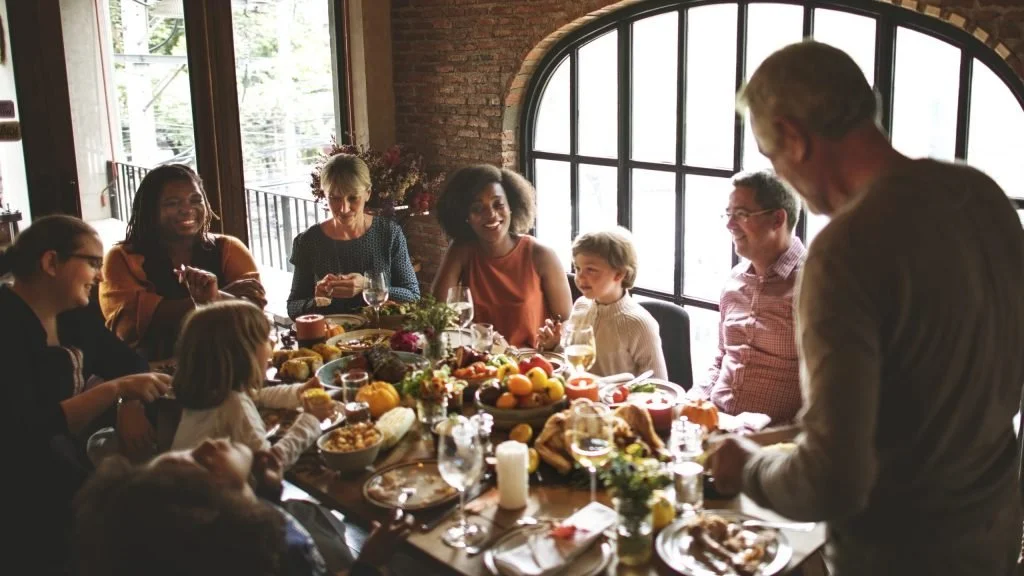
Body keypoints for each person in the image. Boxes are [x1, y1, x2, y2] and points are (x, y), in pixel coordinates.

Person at [710, 41, 1024, 575]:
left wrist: (746, 467)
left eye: (772, 157)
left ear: (792, 136)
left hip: (900, 552)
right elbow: (938, 391)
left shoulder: (845, 251)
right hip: (993, 529)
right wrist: (785, 438)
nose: (783, 178)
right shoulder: (982, 196)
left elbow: (833, 481)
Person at [0, 215, 171, 574]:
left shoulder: (73, 316)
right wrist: (116, 390)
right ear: (51, 262)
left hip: (56, 463)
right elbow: (26, 427)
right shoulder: (8, 323)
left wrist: (130, 403)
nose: (100, 276)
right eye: (92, 263)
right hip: (18, 486)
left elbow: (130, 362)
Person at [74, 438, 414, 576]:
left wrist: (266, 494)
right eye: (202, 459)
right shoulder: (276, 554)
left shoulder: (237, 533)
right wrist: (369, 564)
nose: (207, 443)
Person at [100, 164, 266, 361]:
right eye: (172, 203)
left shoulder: (229, 248)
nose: (187, 209)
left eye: (195, 200)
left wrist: (211, 299)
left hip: (228, 363)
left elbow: (254, 313)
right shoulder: (122, 258)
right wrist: (218, 297)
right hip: (152, 373)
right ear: (150, 209)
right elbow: (130, 326)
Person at [687, 170, 806, 424]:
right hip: (716, 424)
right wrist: (691, 402)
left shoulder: (813, 286)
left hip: (771, 443)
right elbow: (722, 357)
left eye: (741, 214)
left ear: (777, 219)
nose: (730, 225)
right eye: (729, 214)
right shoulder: (734, 281)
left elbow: (828, 391)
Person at [170, 300, 332, 469]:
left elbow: (257, 396)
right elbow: (269, 465)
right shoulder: (235, 406)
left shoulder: (209, 395)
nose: (272, 344)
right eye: (264, 339)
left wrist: (299, 392)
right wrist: (311, 420)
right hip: (218, 494)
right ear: (243, 355)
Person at [432, 164, 572, 347]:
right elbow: (438, 310)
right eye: (477, 208)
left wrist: (555, 339)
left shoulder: (541, 255)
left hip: (531, 366)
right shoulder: (461, 251)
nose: (491, 215)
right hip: (478, 363)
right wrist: (477, 332)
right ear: (464, 215)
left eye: (498, 205)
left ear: (511, 207)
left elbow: (568, 321)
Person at [287, 154, 420, 318]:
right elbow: (293, 307)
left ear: (368, 193)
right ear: (324, 194)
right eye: (334, 198)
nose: (344, 208)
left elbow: (413, 297)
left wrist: (368, 285)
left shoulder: (389, 234)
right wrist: (317, 301)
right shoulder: (308, 241)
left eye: (352, 198)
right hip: (329, 340)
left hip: (380, 334)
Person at [535, 227, 667, 379]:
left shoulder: (639, 324)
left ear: (619, 274)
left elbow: (658, 384)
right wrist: (553, 345)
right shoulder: (580, 306)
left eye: (590, 270)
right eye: (578, 268)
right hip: (579, 399)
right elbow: (571, 363)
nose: (579, 277)